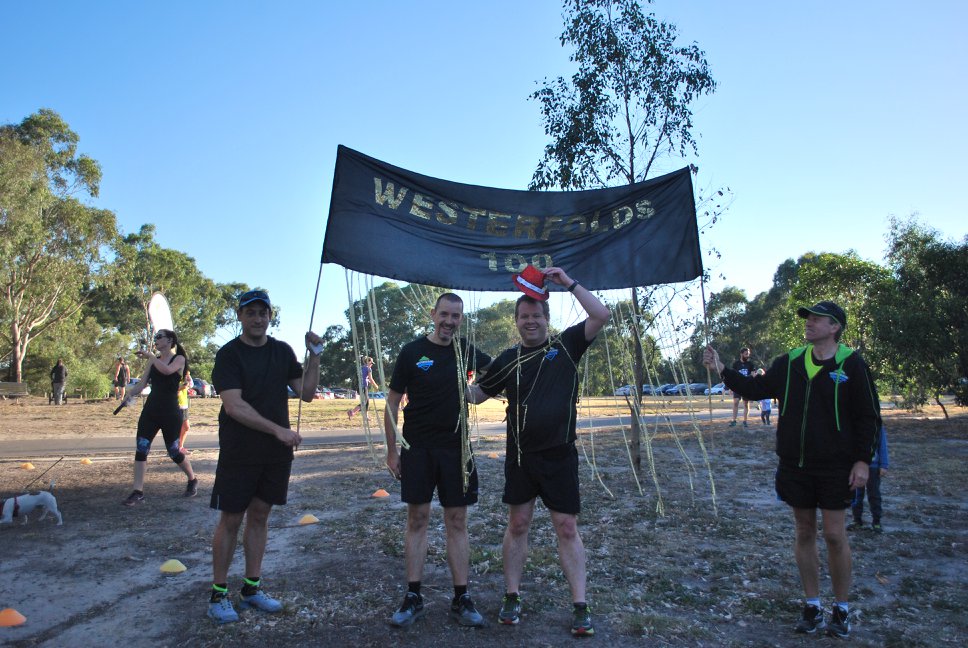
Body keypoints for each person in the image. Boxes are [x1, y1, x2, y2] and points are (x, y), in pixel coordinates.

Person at [703, 300, 880, 639]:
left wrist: (862, 460)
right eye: (809, 318)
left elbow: (868, 416)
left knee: (833, 534)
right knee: (803, 532)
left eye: (818, 319)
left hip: (836, 466)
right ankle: (812, 605)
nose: (810, 323)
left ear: (835, 328)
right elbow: (756, 390)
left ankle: (841, 609)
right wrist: (723, 368)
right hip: (795, 464)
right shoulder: (791, 362)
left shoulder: (852, 364)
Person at [468, 266, 609, 637]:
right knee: (518, 524)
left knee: (566, 527)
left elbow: (601, 315)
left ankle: (580, 604)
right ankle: (512, 595)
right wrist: (440, 381)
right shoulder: (507, 359)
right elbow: (475, 396)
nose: (530, 322)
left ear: (547, 318)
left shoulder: (565, 347)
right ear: (515, 321)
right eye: (523, 317)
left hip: (560, 456)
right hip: (520, 458)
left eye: (536, 316)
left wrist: (569, 283)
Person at [207, 289, 322, 625]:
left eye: (263, 313)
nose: (257, 319)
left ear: (271, 316)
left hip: (275, 452)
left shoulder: (282, 351)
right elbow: (234, 406)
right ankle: (218, 595)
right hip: (240, 449)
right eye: (251, 313)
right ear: (240, 316)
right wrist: (278, 431)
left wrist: (315, 355)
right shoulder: (229, 355)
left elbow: (308, 393)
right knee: (231, 519)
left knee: (260, 515)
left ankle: (251, 589)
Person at [384, 293, 492, 628]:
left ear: (461, 319)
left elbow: (497, 371)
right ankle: (413, 596)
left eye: (456, 316)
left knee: (457, 521)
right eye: (444, 314)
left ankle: (461, 598)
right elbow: (391, 402)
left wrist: (478, 393)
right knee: (417, 519)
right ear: (433, 314)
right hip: (418, 448)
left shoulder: (466, 351)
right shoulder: (412, 352)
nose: (449, 321)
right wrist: (392, 450)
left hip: (456, 450)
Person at [121, 330, 198, 506]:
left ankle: (192, 479)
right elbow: (142, 383)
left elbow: (167, 371)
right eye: (155, 338)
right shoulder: (153, 361)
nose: (156, 340)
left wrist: (151, 357)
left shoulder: (178, 359)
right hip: (151, 410)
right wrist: (129, 395)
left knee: (173, 451)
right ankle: (138, 491)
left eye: (159, 337)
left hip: (170, 412)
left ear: (170, 340)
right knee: (141, 449)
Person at [850, 425, 890, 533]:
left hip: (873, 467)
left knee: (874, 495)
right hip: (855, 466)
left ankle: (876, 522)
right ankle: (856, 520)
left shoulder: (877, 424)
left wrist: (884, 464)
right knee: (856, 495)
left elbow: (882, 445)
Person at [730, 347, 756, 427]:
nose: (747, 355)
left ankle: (745, 421)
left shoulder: (750, 364)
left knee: (745, 404)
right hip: (737, 386)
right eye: (746, 354)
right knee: (736, 402)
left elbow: (753, 374)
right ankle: (734, 420)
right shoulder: (736, 364)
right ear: (741, 354)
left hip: (746, 386)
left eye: (748, 354)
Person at [177, 369, 192, 454]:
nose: (188, 377)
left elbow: (190, 385)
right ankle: (175, 448)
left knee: (186, 427)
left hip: (184, 405)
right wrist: (180, 388)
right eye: (186, 375)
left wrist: (188, 381)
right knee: (178, 428)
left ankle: (180, 447)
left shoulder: (185, 381)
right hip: (178, 406)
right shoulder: (176, 379)